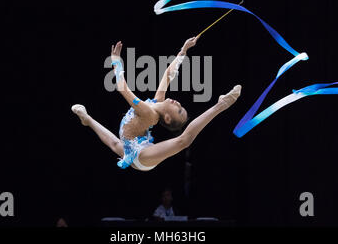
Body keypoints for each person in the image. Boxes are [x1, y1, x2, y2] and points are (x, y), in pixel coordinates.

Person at [72, 37, 241, 171]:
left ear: (167, 118)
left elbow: (122, 87)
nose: (178, 104)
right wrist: (184, 50)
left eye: (179, 110)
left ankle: (221, 105)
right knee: (116, 144)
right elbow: (169, 74)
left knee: (182, 141)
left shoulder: (148, 113)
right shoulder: (157, 101)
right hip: (135, 141)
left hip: (143, 156)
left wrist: (116, 61)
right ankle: (87, 119)